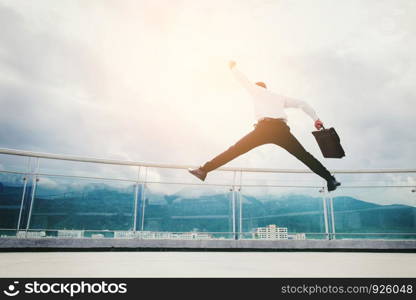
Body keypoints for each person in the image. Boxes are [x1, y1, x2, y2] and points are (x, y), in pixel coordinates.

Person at [189, 61, 340, 192]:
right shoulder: (279, 97)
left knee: (234, 151)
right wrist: (316, 119)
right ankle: (330, 179)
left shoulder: (256, 91)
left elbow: (244, 81)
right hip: (281, 129)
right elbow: (303, 103)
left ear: (258, 87)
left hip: (263, 129)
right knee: (304, 156)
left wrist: (232, 67)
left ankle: (203, 170)